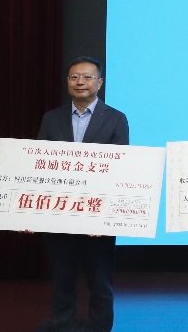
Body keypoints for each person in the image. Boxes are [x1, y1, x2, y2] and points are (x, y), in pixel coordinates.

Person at [36, 56, 129, 332]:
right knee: (62, 278)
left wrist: (105, 217)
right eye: (74, 77)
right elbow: (38, 166)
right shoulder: (51, 118)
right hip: (59, 215)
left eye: (87, 77)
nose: (80, 82)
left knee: (100, 281)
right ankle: (63, 323)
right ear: (67, 82)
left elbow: (121, 168)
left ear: (99, 83)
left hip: (98, 219)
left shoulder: (116, 119)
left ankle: (100, 327)